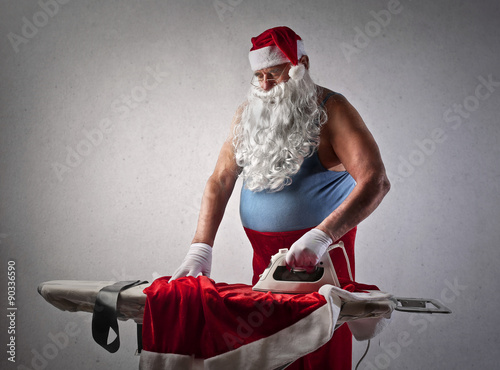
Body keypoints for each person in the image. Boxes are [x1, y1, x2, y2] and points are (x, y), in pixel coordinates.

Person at [170, 26, 390, 369]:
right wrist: (200, 248)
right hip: (264, 264)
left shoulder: (333, 110)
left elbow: (375, 181)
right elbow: (221, 179)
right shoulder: (249, 113)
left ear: (300, 63)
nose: (265, 85)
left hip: (322, 260)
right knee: (268, 351)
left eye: (273, 74)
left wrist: (321, 236)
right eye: (258, 76)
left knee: (319, 350)